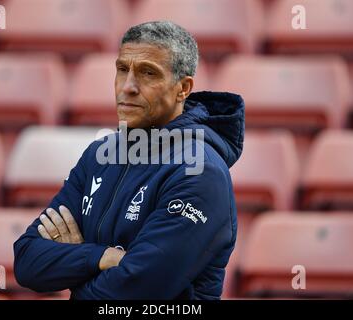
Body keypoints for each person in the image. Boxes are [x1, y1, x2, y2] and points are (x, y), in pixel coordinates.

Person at [13, 20, 245, 300]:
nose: (128, 87)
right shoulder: (99, 155)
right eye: (122, 70)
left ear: (183, 89)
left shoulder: (200, 172)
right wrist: (100, 257)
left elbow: (133, 293)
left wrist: (74, 263)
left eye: (148, 73)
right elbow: (27, 262)